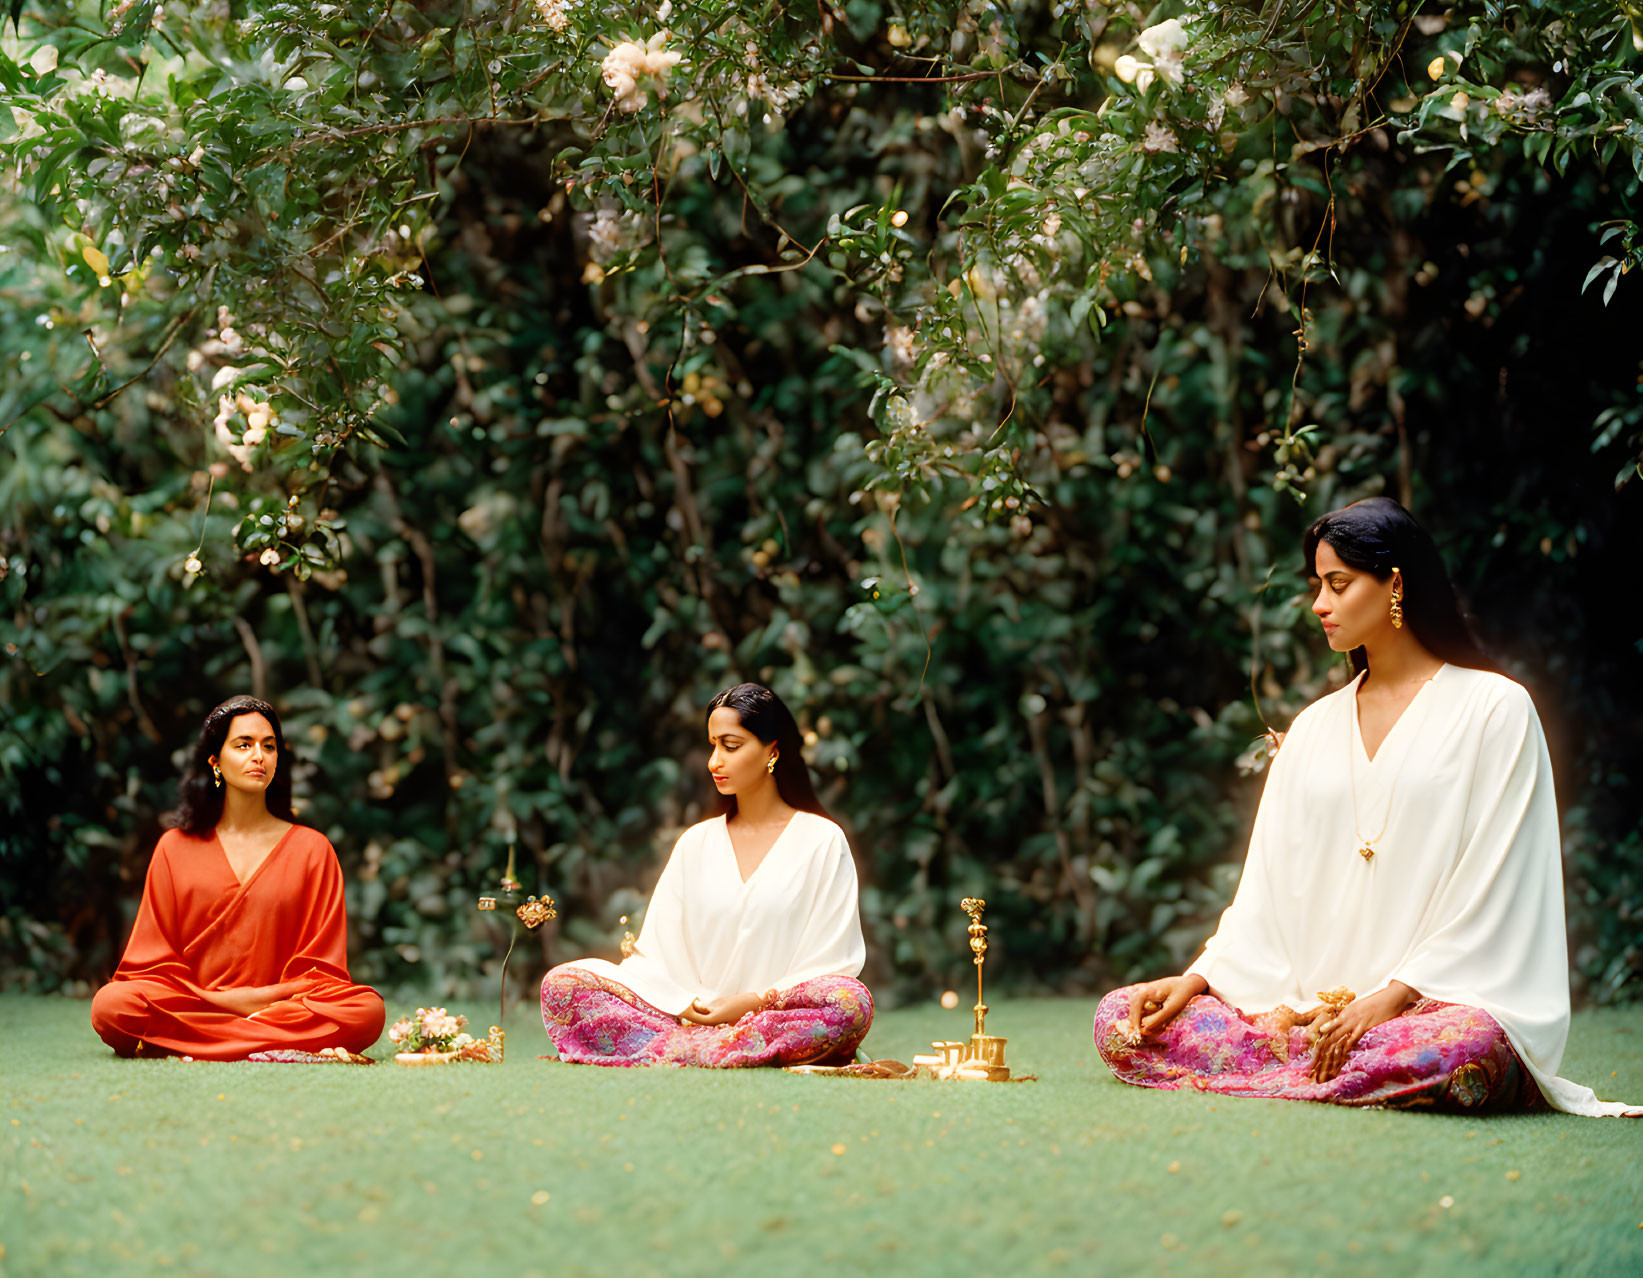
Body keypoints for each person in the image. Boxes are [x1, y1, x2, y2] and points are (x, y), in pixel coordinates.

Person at [1093, 497, 1638, 1116]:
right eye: (1316, 586)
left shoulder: (1495, 709)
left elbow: (1499, 880)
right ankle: (1323, 1063)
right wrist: (1197, 979)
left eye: (1338, 584)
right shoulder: (1312, 728)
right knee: (1121, 1018)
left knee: (1463, 1050)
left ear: (1395, 584)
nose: (1320, 604)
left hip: (1430, 1008)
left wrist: (1394, 997)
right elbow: (1264, 893)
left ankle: (1321, 1064)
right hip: (1307, 1011)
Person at [541, 682, 873, 1068]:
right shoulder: (695, 843)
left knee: (851, 1002)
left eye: (730, 746)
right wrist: (688, 1005)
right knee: (562, 985)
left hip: (771, 1016)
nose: (715, 761)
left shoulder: (822, 840)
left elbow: (830, 961)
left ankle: (692, 1051)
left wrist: (751, 1003)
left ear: (773, 751)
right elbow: (658, 957)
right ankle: (712, 1049)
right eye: (713, 745)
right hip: (688, 1017)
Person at [90, 695, 385, 1060]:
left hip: (278, 1005)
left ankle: (196, 1043)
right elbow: (152, 962)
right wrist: (226, 1002)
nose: (258, 755)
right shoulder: (174, 847)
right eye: (243, 744)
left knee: (366, 1010)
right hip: (197, 1002)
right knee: (113, 1006)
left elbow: (321, 973)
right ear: (215, 760)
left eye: (269, 746)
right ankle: (263, 1041)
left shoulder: (313, 849)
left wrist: (260, 1000)